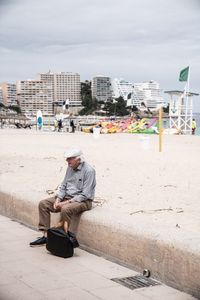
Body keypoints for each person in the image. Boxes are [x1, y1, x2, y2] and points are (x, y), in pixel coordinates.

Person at [30, 148, 96, 247]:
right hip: (66, 197)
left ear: (78, 159)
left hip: (83, 201)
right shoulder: (69, 168)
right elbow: (64, 185)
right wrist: (58, 199)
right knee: (43, 204)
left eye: (70, 159)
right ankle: (46, 236)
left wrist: (64, 203)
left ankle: (61, 237)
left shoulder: (89, 171)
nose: (67, 161)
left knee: (65, 209)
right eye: (67, 159)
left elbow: (85, 195)